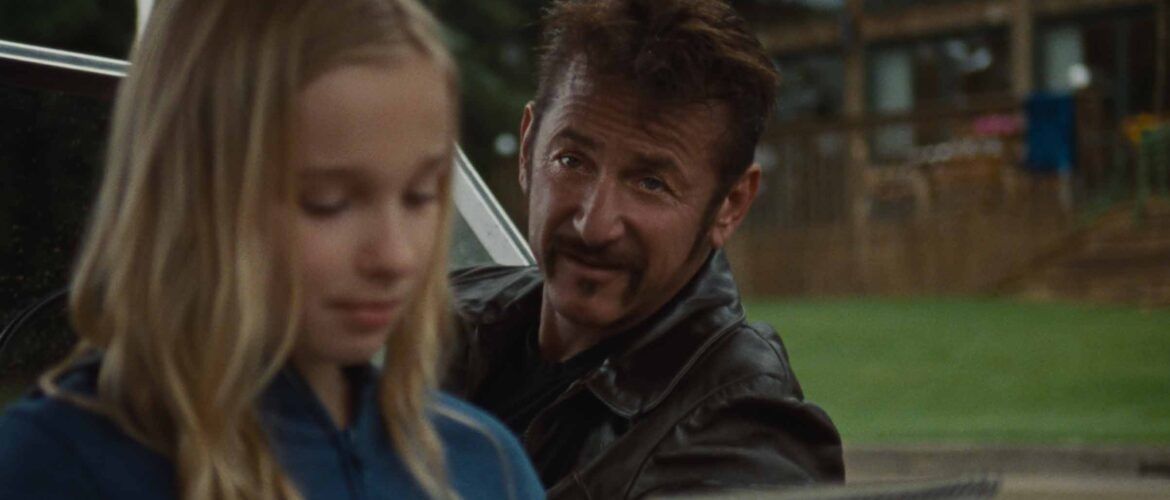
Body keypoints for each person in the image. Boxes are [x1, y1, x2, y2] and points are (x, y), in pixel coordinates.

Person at [0, 0, 543, 499]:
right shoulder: (56, 466)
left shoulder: (483, 465)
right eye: (327, 203)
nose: (395, 256)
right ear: (197, 192)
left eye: (421, 195)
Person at [444, 0, 846, 498]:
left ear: (730, 205)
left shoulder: (748, 439)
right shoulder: (442, 319)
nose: (593, 226)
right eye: (572, 160)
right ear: (528, 148)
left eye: (651, 183)